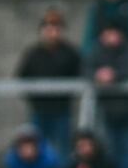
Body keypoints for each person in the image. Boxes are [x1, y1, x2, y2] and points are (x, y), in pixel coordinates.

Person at [15, 9, 81, 159]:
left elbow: (78, 76)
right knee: (37, 147)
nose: (52, 32)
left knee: (63, 148)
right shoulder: (33, 53)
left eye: (56, 28)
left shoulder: (70, 53)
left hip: (62, 110)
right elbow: (22, 77)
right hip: (40, 110)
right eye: (48, 28)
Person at [86, 21, 128, 168]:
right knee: (110, 153)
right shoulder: (97, 51)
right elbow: (85, 69)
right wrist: (97, 75)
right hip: (107, 112)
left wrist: (114, 75)